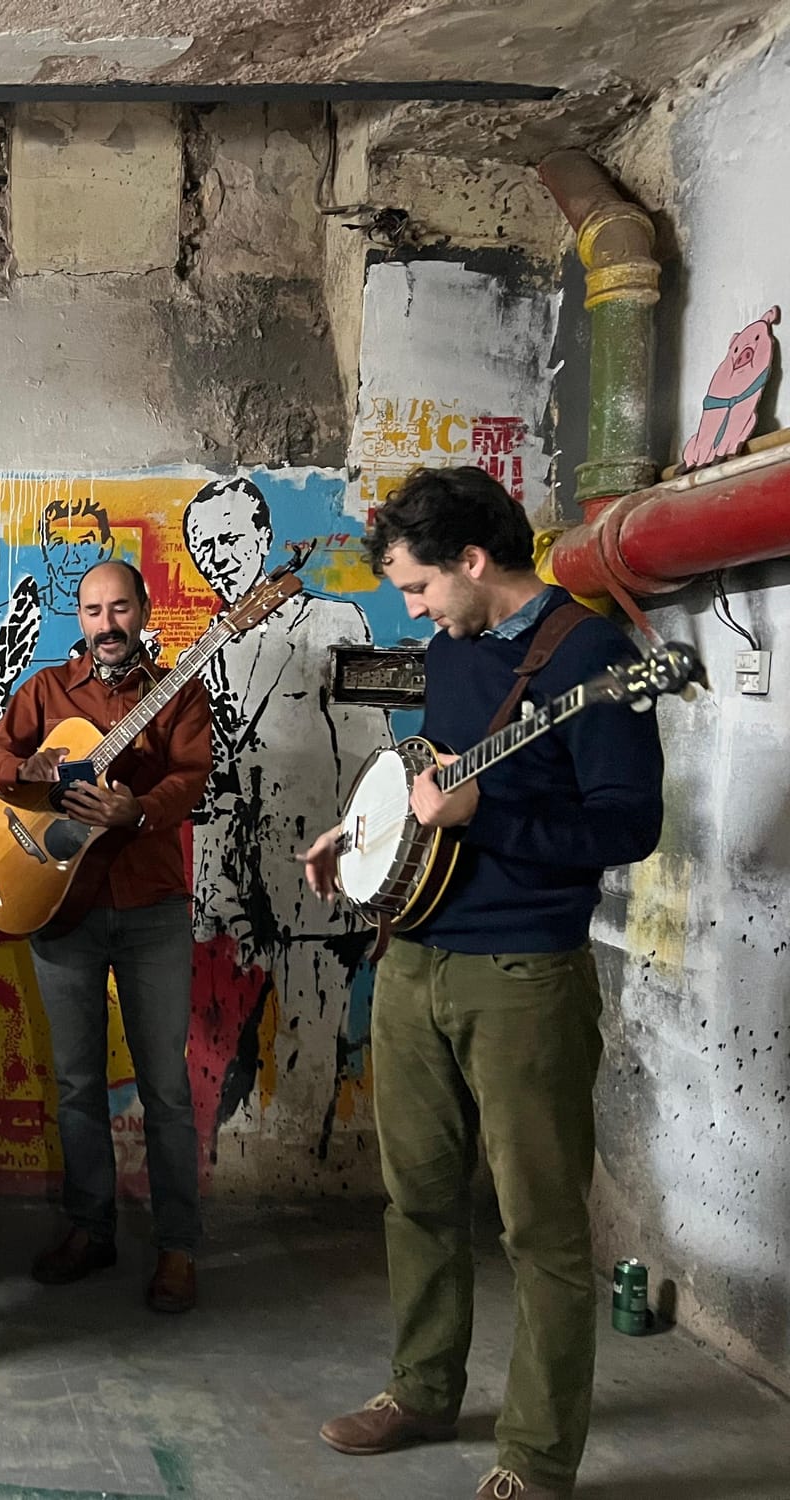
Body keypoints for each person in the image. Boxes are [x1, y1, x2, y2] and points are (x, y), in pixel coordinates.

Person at [303, 466, 665, 1500]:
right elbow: (429, 776)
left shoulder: (593, 658)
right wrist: (362, 836)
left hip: (522, 974)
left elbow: (623, 829)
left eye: (418, 588)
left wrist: (485, 820)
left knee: (539, 1227)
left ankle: (536, 1458)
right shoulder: (454, 653)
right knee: (413, 1197)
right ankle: (420, 1390)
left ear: (472, 561)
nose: (412, 613)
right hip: (413, 956)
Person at [0, 560, 213, 1312]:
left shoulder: (178, 691)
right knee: (76, 1084)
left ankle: (177, 1246)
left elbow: (192, 778)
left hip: (151, 908)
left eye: (121, 608)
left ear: (143, 610)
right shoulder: (46, 692)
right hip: (58, 904)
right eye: (94, 610)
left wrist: (132, 811)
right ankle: (90, 1227)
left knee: (165, 1087)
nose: (107, 624)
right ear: (81, 617)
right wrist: (23, 767)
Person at [183, 476, 390, 1133]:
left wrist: (371, 872)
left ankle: (301, 1187)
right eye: (202, 544)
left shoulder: (335, 622)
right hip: (228, 888)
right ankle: (238, 1175)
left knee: (308, 1048)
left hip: (313, 877)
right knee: (224, 1046)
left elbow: (374, 757)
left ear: (264, 539)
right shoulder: (202, 649)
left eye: (230, 537)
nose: (217, 553)